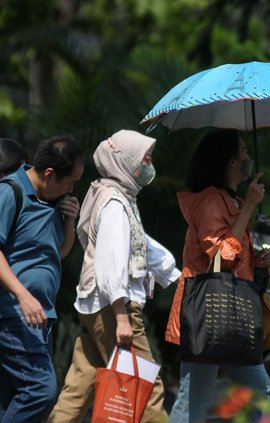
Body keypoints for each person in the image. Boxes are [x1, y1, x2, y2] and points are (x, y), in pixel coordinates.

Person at [48, 129, 180, 423]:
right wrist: (122, 318)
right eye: (145, 158)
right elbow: (110, 262)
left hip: (96, 306)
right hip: (113, 308)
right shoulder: (115, 204)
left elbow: (141, 244)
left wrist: (174, 274)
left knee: (78, 386)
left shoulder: (112, 195)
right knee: (147, 390)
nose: (149, 165)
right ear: (127, 161)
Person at [166, 129, 270, 423]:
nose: (249, 158)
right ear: (231, 162)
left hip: (225, 313)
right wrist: (250, 205)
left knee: (252, 387)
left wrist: (259, 260)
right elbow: (221, 258)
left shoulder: (229, 199)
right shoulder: (212, 201)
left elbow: (236, 255)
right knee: (194, 400)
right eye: (243, 152)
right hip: (208, 314)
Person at [0, 135, 84, 423]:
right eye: (70, 181)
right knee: (41, 390)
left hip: (41, 316)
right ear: (49, 174)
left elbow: (57, 252)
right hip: (15, 314)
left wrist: (70, 223)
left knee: (11, 399)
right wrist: (23, 296)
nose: (72, 189)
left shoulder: (54, 202)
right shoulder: (10, 192)